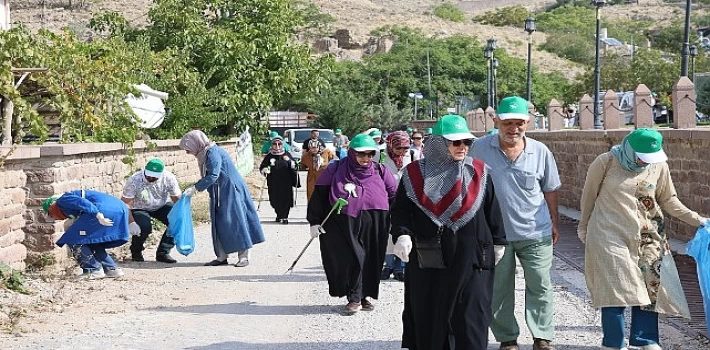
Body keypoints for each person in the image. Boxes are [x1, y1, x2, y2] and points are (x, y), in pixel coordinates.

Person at [578, 128, 709, 350]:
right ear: (630, 147)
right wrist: (583, 228)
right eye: (641, 157)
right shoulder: (606, 162)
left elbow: (669, 200)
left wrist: (700, 220)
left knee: (650, 287)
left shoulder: (659, 165)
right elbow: (588, 196)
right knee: (614, 288)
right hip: (609, 234)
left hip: (649, 236)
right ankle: (613, 342)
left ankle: (644, 340)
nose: (644, 162)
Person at [390, 114, 507, 349]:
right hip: (429, 259)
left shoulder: (479, 173)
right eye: (456, 142)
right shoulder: (413, 175)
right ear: (438, 143)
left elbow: (492, 210)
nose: (462, 147)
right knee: (431, 315)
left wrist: (498, 242)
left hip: (473, 258)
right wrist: (402, 234)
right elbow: (401, 211)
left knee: (471, 317)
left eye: (466, 142)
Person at [472, 96, 561, 350]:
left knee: (541, 284)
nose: (513, 128)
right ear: (496, 120)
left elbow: (550, 189)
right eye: (507, 122)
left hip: (536, 232)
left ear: (528, 122)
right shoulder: (479, 149)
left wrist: (554, 222)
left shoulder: (540, 151)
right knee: (499, 289)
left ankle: (542, 336)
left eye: (519, 123)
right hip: (495, 235)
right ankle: (507, 338)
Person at [307, 133, 397, 315]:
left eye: (370, 154)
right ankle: (354, 297)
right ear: (351, 153)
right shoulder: (336, 169)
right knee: (353, 257)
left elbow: (394, 195)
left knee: (371, 258)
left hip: (376, 221)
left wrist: (399, 224)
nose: (366, 158)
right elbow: (319, 195)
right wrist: (315, 221)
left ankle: (364, 295)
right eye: (361, 154)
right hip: (344, 222)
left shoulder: (380, 170)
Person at [179, 130, 265, 267]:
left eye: (188, 149)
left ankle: (244, 257)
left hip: (231, 190)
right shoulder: (205, 153)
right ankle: (221, 256)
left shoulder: (213, 153)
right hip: (219, 191)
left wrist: (195, 188)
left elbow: (213, 175)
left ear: (196, 144)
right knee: (219, 223)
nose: (188, 153)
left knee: (236, 221)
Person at [43, 190, 137, 280]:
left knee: (73, 238)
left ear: (52, 206)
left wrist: (97, 214)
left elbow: (81, 202)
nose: (54, 218)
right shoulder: (69, 207)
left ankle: (92, 270)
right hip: (119, 208)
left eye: (51, 214)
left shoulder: (62, 200)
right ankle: (112, 269)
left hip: (102, 210)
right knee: (90, 240)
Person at [121, 158, 182, 263]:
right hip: (139, 207)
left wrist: (182, 215)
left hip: (160, 206)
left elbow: (177, 199)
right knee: (144, 226)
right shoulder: (134, 179)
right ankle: (136, 251)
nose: (151, 178)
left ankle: (163, 253)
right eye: (148, 175)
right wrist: (131, 222)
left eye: (155, 176)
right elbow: (125, 202)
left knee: (177, 220)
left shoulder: (169, 178)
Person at [380, 131, 420, 282]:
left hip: (406, 199)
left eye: (405, 148)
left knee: (404, 231)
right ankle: (389, 265)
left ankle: (400, 266)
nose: (402, 152)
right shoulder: (380, 155)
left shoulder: (413, 154)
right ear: (390, 145)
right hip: (385, 198)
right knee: (388, 233)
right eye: (399, 149)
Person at [259, 136, 299, 224]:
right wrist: (265, 170)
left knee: (286, 199)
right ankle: (279, 214)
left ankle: (284, 217)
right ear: (272, 145)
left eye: (279, 144)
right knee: (274, 199)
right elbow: (263, 166)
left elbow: (295, 165)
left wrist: (291, 163)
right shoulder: (269, 155)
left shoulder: (287, 154)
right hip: (274, 182)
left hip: (286, 181)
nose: (277, 146)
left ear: (282, 145)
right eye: (275, 144)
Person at [304, 135, 337, 201]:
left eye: (315, 148)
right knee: (312, 197)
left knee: (324, 197)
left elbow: (335, 160)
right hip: (312, 179)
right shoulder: (307, 155)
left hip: (325, 177)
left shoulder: (327, 152)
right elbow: (303, 165)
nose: (313, 150)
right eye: (311, 148)